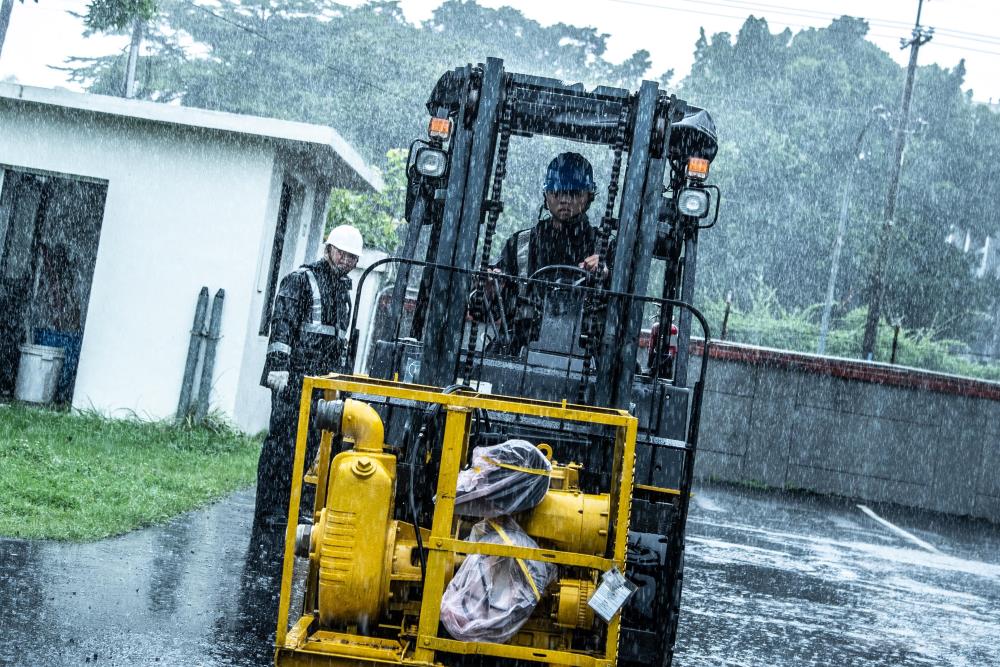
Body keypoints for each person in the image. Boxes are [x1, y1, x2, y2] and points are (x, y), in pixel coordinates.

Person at [248, 224, 363, 559]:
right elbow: (282, 324)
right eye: (342, 253)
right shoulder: (300, 279)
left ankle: (291, 507)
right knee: (281, 445)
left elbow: (339, 339)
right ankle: (269, 513)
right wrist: (279, 367)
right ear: (328, 250)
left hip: (321, 384)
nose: (346, 261)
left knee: (308, 446)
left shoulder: (343, 290)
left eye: (352, 257)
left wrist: (340, 382)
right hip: (294, 379)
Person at [483, 152, 607, 354]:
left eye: (574, 193)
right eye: (557, 192)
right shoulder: (520, 244)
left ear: (588, 197)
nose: (565, 200)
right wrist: (489, 288)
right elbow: (486, 308)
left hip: (588, 356)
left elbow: (622, 316)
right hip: (520, 349)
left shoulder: (605, 249)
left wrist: (605, 275)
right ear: (546, 195)